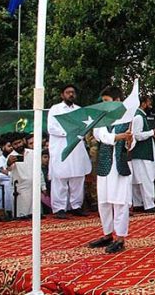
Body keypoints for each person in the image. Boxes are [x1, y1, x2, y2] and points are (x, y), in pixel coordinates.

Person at [88, 86, 135, 254]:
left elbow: (132, 142)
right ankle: (107, 234)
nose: (104, 105)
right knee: (104, 202)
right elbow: (101, 136)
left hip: (120, 165)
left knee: (120, 202)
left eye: (106, 101)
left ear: (117, 101)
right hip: (105, 164)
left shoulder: (129, 117)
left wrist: (129, 141)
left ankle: (120, 238)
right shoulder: (101, 119)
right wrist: (119, 137)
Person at [47, 84, 92, 219]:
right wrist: (69, 132)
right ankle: (59, 208)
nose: (71, 94)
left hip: (77, 148)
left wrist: (77, 132)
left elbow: (84, 127)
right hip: (61, 147)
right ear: (62, 95)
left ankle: (76, 206)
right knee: (60, 178)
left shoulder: (79, 110)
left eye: (73, 92)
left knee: (77, 177)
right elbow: (52, 128)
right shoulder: (55, 109)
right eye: (68, 92)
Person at [130, 95, 155, 213]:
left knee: (138, 179)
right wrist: (152, 132)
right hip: (142, 154)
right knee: (146, 179)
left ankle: (138, 203)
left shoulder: (138, 116)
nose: (150, 105)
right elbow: (137, 135)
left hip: (140, 153)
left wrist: (152, 134)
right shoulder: (139, 117)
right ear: (143, 103)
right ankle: (149, 204)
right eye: (149, 102)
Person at [0, 133, 14, 216]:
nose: (11, 148)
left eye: (12, 145)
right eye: (9, 146)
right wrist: (11, 175)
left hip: (14, 190)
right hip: (2, 191)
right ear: (2, 147)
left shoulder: (17, 159)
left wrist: (7, 173)